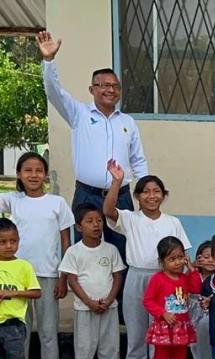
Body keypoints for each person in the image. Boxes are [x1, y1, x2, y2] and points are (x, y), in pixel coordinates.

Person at [36, 31, 146, 254]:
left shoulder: (127, 122)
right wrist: (48, 60)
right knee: (85, 252)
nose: (110, 90)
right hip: (87, 195)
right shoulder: (79, 114)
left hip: (121, 197)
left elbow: (138, 160)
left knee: (124, 251)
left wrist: (144, 194)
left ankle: (121, 291)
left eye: (115, 86)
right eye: (104, 85)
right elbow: (54, 92)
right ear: (92, 89)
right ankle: (86, 290)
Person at [104, 161, 191, 359]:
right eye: (146, 191)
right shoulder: (130, 218)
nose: (151, 196)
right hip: (136, 277)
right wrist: (116, 182)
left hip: (166, 281)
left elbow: (184, 254)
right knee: (136, 332)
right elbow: (109, 210)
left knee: (163, 335)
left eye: (156, 191)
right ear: (138, 197)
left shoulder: (173, 222)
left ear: (164, 196)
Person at [0, 153, 72, 359]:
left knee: (48, 329)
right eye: (27, 170)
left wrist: (63, 275)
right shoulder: (13, 200)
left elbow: (65, 241)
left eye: (38, 170)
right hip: (16, 275)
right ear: (19, 174)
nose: (33, 175)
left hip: (47, 274)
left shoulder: (57, 203)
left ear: (45, 175)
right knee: (20, 329)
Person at [59, 204, 124, 359]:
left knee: (110, 347)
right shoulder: (74, 252)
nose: (96, 225)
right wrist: (88, 302)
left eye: (99, 220)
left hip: (108, 308)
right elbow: (72, 279)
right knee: (84, 347)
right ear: (79, 227)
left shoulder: (111, 250)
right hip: (84, 309)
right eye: (89, 221)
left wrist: (110, 299)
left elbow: (117, 276)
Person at [142, 237, 202, 359]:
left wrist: (192, 269)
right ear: (162, 262)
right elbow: (148, 300)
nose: (177, 262)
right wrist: (162, 313)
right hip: (163, 330)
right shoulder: (157, 279)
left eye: (180, 257)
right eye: (172, 259)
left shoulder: (185, 278)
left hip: (181, 331)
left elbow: (197, 288)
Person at [0, 219, 43, 359]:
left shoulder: (24, 266)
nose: (9, 246)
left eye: (13, 241)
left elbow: (36, 292)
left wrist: (12, 294)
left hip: (14, 324)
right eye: (3, 242)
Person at [184, 241, 215, 359]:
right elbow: (194, 287)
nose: (209, 260)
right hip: (193, 317)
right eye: (204, 257)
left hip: (212, 319)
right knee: (195, 348)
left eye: (213, 256)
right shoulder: (194, 275)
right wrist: (192, 269)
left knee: (207, 350)